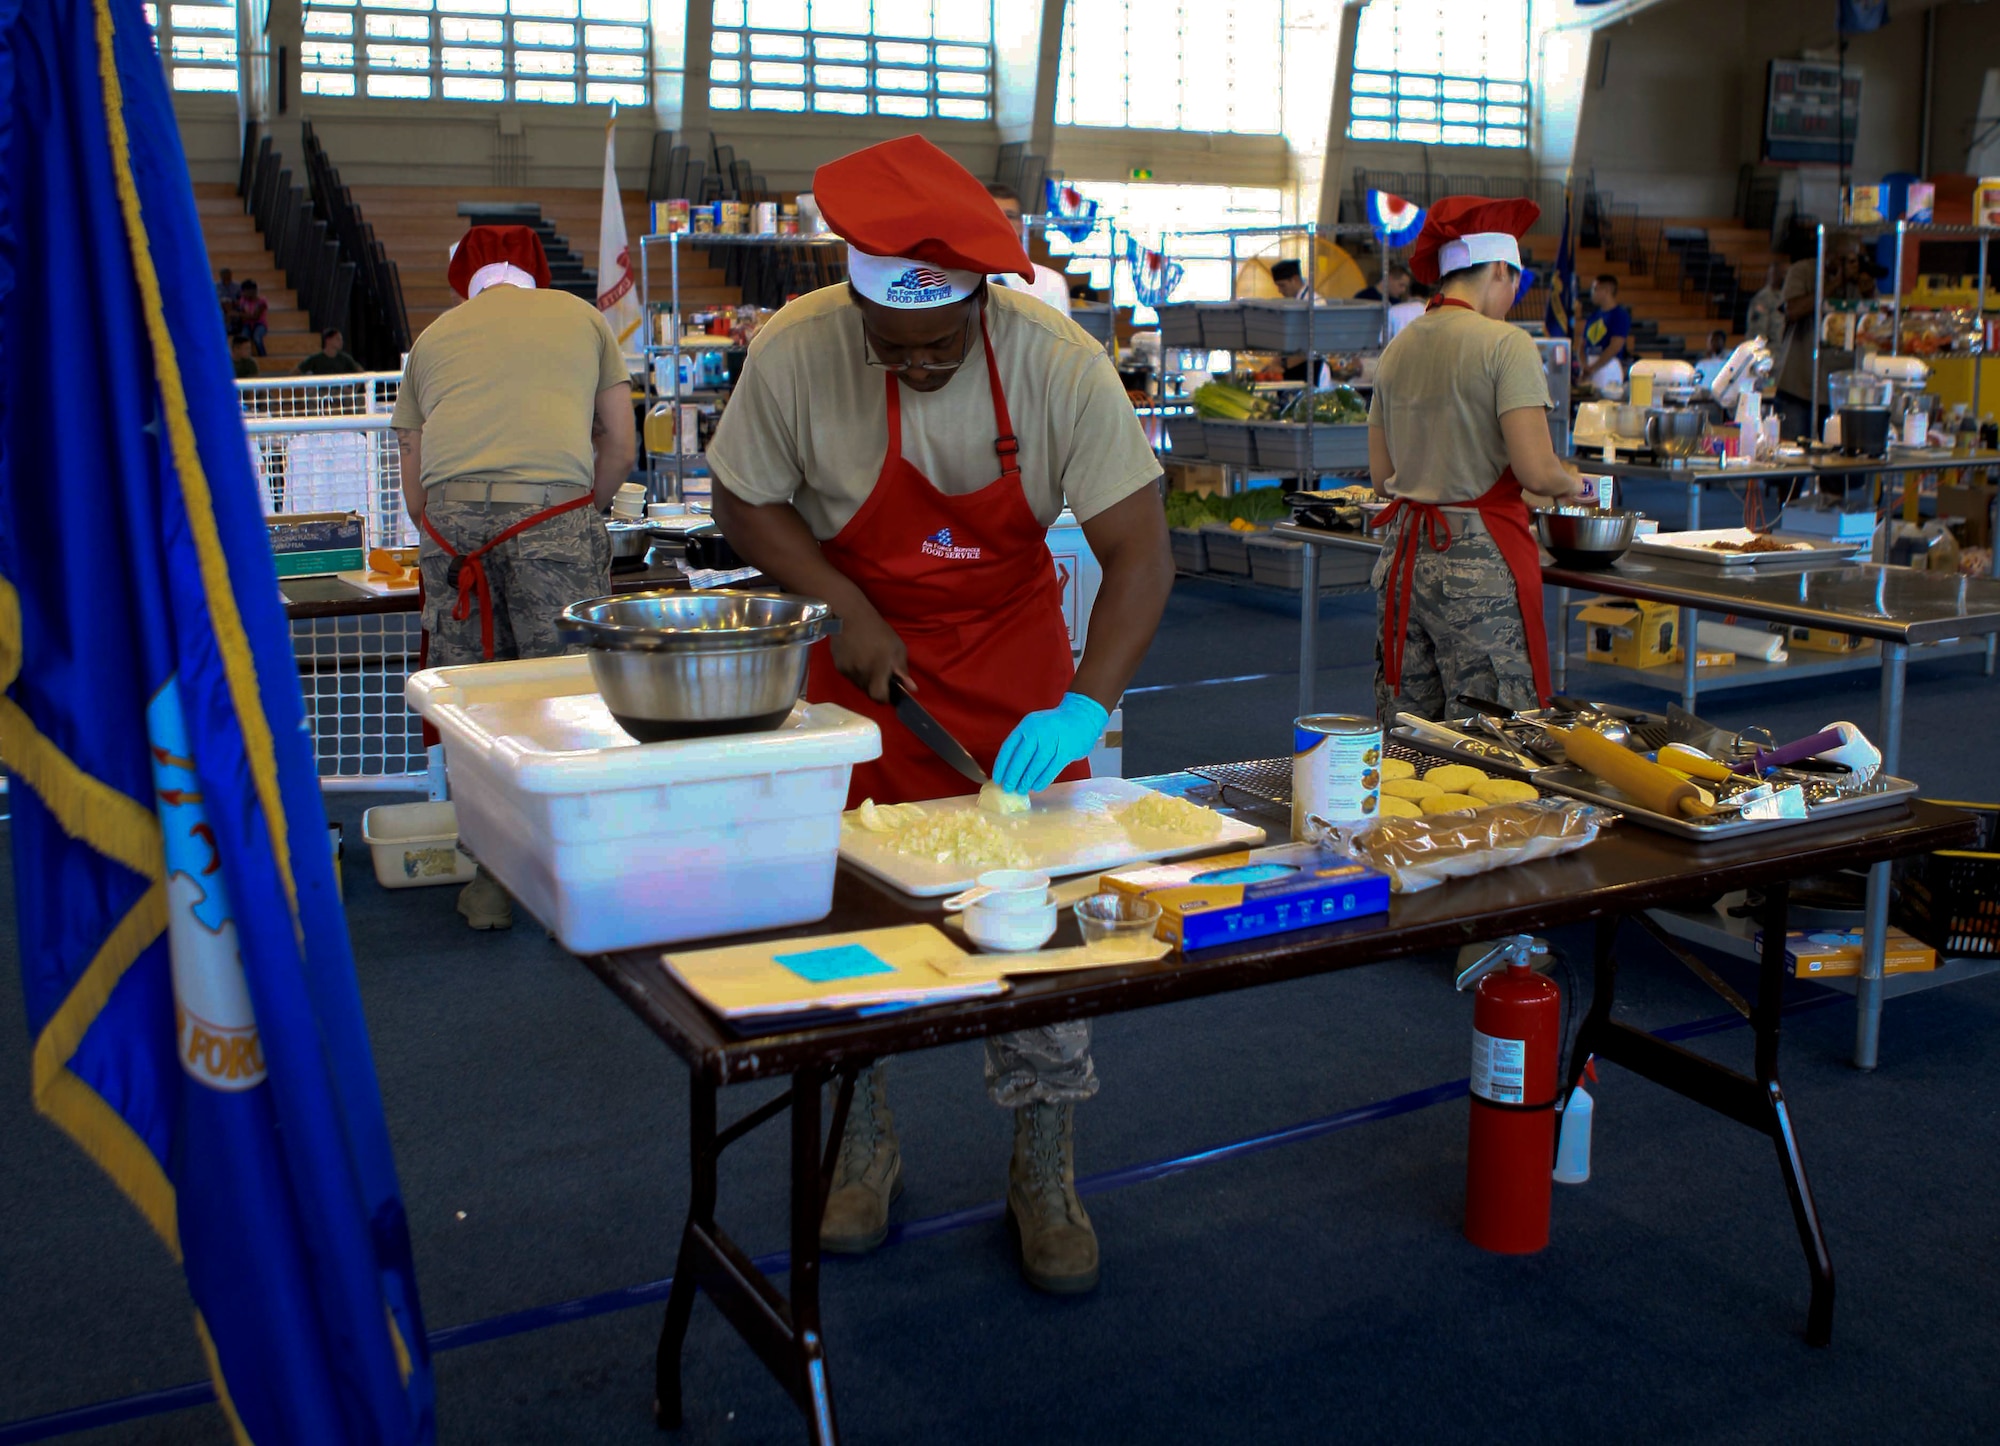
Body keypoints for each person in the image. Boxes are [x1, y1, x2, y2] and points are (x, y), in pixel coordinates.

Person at [707, 135, 1173, 1296]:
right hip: (857, 672)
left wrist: (1083, 705)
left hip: (1011, 667)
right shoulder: (797, 349)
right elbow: (743, 498)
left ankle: (1042, 1158)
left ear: (981, 299)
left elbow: (1138, 554)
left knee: (1040, 925)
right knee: (853, 916)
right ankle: (862, 1133)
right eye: (891, 346)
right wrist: (837, 599)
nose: (915, 366)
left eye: (938, 344)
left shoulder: (1056, 362)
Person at [390, 224, 634, 930]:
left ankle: (490, 880)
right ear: (538, 272)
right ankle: (581, 872)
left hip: (451, 529)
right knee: (570, 696)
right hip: (550, 514)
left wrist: (450, 528)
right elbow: (618, 442)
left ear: (464, 279)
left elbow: (412, 479)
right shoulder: (585, 319)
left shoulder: (433, 338)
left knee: (475, 704)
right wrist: (573, 514)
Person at [1367, 196, 1586, 721]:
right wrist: (1569, 481)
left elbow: (1381, 478)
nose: (1514, 297)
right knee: (1493, 742)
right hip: (1477, 570)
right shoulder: (1505, 344)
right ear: (1499, 271)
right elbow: (1534, 470)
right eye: (1515, 284)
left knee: (1410, 740)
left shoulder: (1398, 346)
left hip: (1404, 562)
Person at [1773, 230, 1876, 440]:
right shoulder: (1803, 271)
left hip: (1841, 390)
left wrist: (1867, 290)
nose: (1851, 264)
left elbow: (1874, 324)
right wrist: (1834, 283)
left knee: (1839, 459)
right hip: (1799, 387)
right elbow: (1792, 310)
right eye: (1845, 258)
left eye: (1856, 259)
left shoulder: (1858, 280)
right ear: (1828, 253)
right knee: (1793, 459)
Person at [984, 182, 1072, 316]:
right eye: (993, 213)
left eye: (1010, 216)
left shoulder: (1051, 283)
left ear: (1021, 225)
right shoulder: (957, 280)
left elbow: (1060, 337)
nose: (1001, 221)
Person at [1580, 273, 1630, 393]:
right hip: (1590, 365)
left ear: (1607, 290)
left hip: (1607, 366)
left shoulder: (1619, 315)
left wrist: (1593, 367)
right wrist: (1584, 366)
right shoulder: (1593, 316)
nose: (1592, 292)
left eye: (1595, 289)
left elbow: (1615, 346)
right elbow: (1582, 345)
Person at [1269, 260, 1315, 381]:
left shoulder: (1314, 302)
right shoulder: (1294, 303)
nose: (1279, 290)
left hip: (1310, 368)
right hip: (1292, 366)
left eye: (1282, 285)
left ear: (1294, 279)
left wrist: (1283, 364)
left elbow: (1315, 343)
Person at [1744, 260, 1786, 351]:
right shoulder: (1762, 299)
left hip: (1782, 347)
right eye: (1776, 273)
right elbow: (1757, 328)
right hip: (1768, 349)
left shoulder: (1785, 296)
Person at [298, 327, 363, 375]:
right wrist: (304, 390)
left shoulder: (345, 358)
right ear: (328, 340)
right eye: (338, 339)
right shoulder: (315, 359)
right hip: (322, 392)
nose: (341, 342)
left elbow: (361, 371)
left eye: (341, 339)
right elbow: (295, 372)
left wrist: (353, 389)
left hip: (339, 392)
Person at [235, 277, 268, 356]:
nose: (243, 294)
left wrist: (240, 314)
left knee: (257, 337)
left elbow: (256, 317)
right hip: (247, 324)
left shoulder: (261, 301)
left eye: (244, 292)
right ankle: (245, 357)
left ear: (253, 291)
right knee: (244, 337)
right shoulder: (243, 300)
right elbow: (243, 315)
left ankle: (263, 356)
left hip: (260, 324)